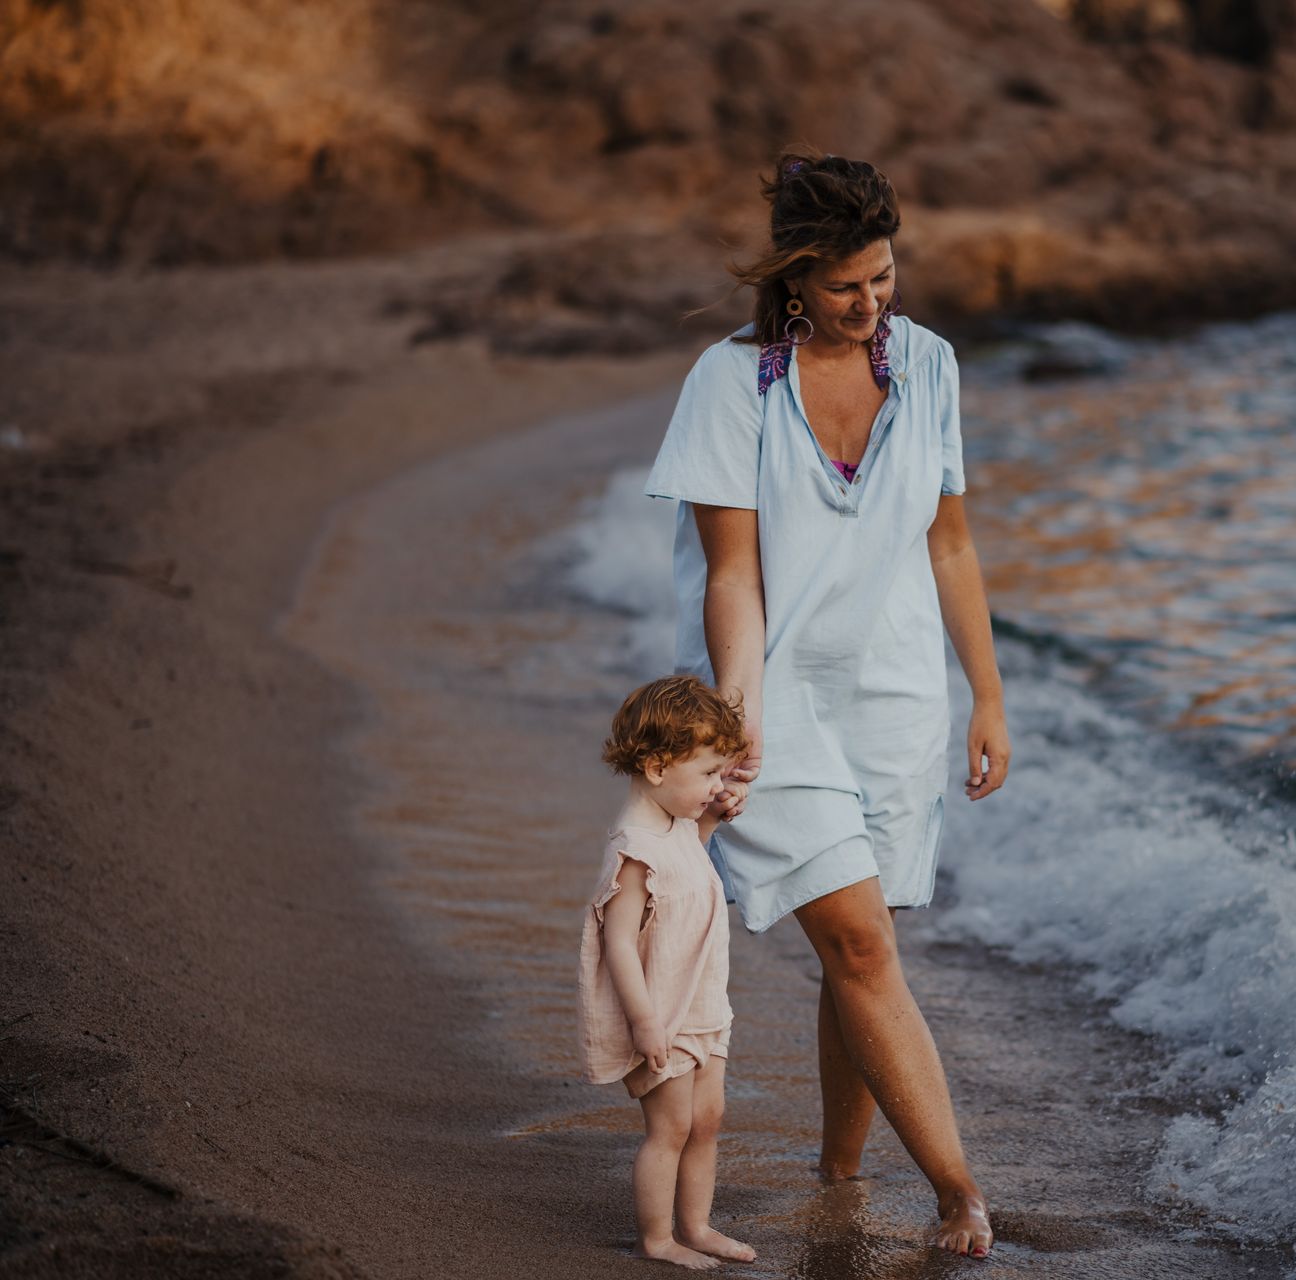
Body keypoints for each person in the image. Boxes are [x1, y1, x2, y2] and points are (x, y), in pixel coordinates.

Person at [645, 151, 1008, 1258]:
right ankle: (959, 1191)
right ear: (796, 277)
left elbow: (951, 543)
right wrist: (737, 709)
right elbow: (731, 576)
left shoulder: (929, 365)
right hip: (774, 693)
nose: (870, 303)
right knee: (855, 940)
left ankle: (838, 1175)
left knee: (865, 945)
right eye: (846, 285)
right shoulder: (730, 383)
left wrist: (988, 694)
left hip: (896, 693)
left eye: (884, 277)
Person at [578, 675, 756, 1270]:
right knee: (672, 1127)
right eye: (708, 773)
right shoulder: (634, 850)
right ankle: (656, 1238)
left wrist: (712, 820)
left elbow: (689, 864)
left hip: (703, 1003)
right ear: (657, 767)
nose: (717, 785)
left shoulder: (675, 823)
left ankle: (696, 1226)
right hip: (661, 1011)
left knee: (707, 1121)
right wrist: (645, 1022)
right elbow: (618, 943)